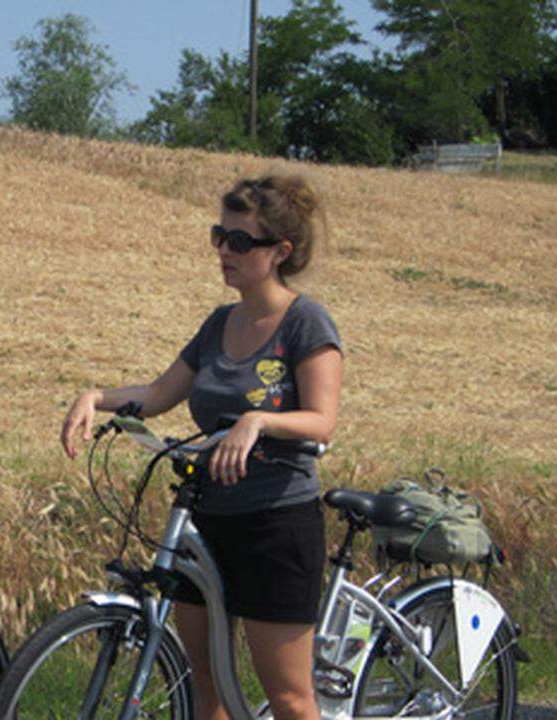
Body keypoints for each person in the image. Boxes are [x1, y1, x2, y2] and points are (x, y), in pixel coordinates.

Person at [60, 173, 343, 720]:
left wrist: (259, 420)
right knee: (202, 683)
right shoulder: (218, 324)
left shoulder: (305, 321)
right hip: (206, 521)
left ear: (279, 251)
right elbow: (160, 393)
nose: (223, 251)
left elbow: (322, 422)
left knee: (288, 697)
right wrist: (95, 397)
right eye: (220, 235)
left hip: (276, 523)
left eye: (240, 241)